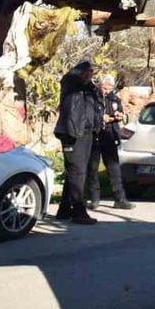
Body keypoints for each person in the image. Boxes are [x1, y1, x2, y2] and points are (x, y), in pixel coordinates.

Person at [52, 61, 99, 225]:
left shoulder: (88, 88)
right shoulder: (71, 84)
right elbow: (69, 79)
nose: (89, 75)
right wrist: (79, 73)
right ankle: (79, 211)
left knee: (76, 172)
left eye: (91, 72)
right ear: (78, 72)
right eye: (86, 72)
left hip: (86, 133)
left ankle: (64, 209)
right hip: (72, 133)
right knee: (77, 172)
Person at [86, 74, 134, 210]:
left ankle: (120, 199)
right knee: (92, 168)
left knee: (114, 169)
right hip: (95, 136)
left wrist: (119, 115)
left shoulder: (114, 98)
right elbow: (89, 115)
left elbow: (120, 112)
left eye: (109, 88)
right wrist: (102, 118)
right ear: (99, 85)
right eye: (104, 88)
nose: (106, 91)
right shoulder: (92, 97)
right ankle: (94, 199)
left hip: (109, 136)